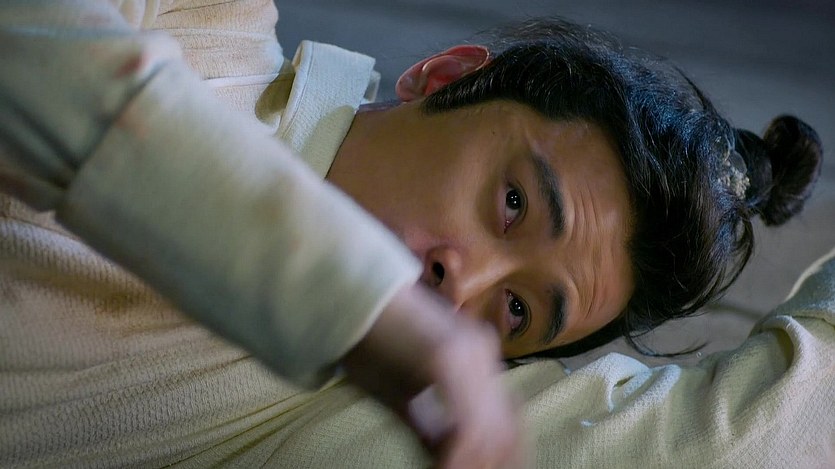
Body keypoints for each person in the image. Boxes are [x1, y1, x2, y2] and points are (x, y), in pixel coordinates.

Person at [0, 0, 826, 467]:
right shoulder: (202, 19)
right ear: (444, 76)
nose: (460, 283)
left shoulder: (348, 411)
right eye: (511, 203)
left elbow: (755, 437)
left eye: (515, 311)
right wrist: (355, 298)